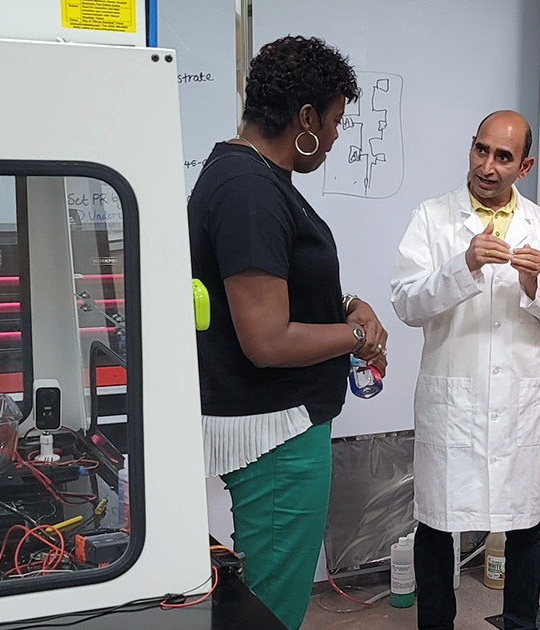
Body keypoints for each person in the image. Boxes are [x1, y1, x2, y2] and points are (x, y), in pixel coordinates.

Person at [187, 35, 388, 630]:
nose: (331, 138)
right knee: (273, 611)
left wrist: (347, 303)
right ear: (305, 119)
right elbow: (267, 339)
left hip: (274, 424)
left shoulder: (249, 175)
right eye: (333, 123)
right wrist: (356, 339)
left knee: (264, 595)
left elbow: (281, 283)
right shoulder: (249, 189)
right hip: (275, 434)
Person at [389, 110, 540, 630]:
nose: (487, 166)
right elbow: (407, 303)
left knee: (524, 526)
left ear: (525, 164)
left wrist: (536, 286)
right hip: (452, 403)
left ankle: (521, 624)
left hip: (520, 403)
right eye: (481, 150)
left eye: (503, 157)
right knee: (436, 524)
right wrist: (464, 265)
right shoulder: (433, 218)